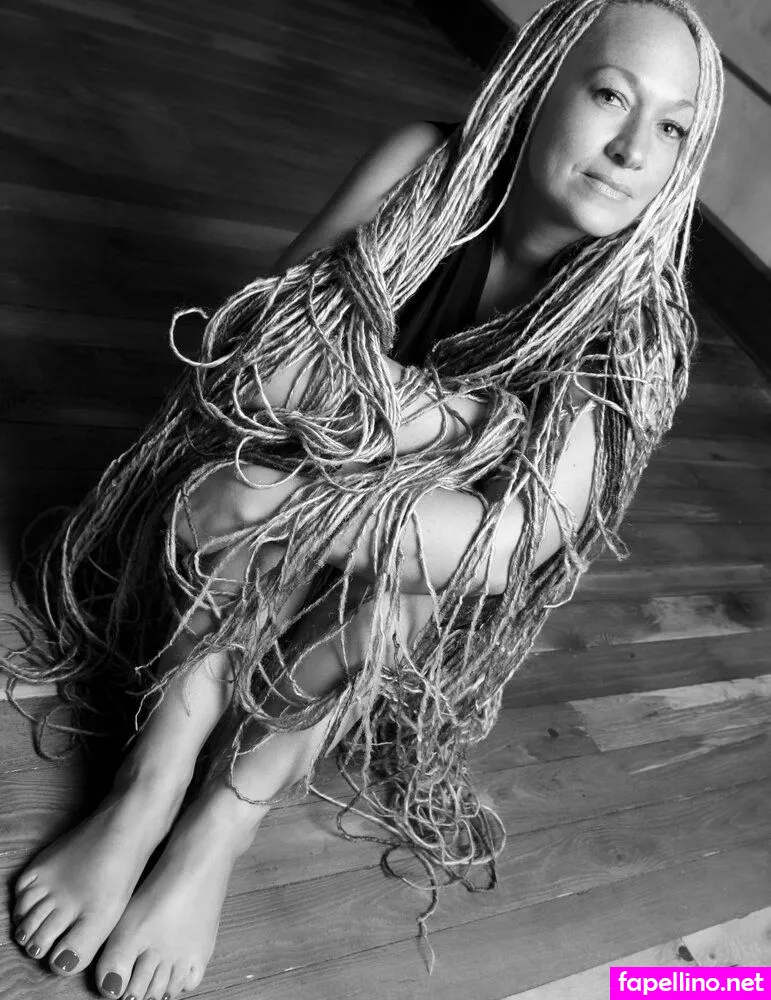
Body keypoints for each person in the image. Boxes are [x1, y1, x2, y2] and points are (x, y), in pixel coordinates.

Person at [5, 0, 723, 997]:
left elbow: (508, 543)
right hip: (284, 499)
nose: (633, 148)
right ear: (539, 83)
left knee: (380, 570)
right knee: (262, 456)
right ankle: (151, 781)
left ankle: (222, 821)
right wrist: (470, 423)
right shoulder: (424, 168)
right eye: (610, 95)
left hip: (390, 568)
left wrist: (294, 498)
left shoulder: (635, 329)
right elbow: (257, 360)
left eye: (673, 127)